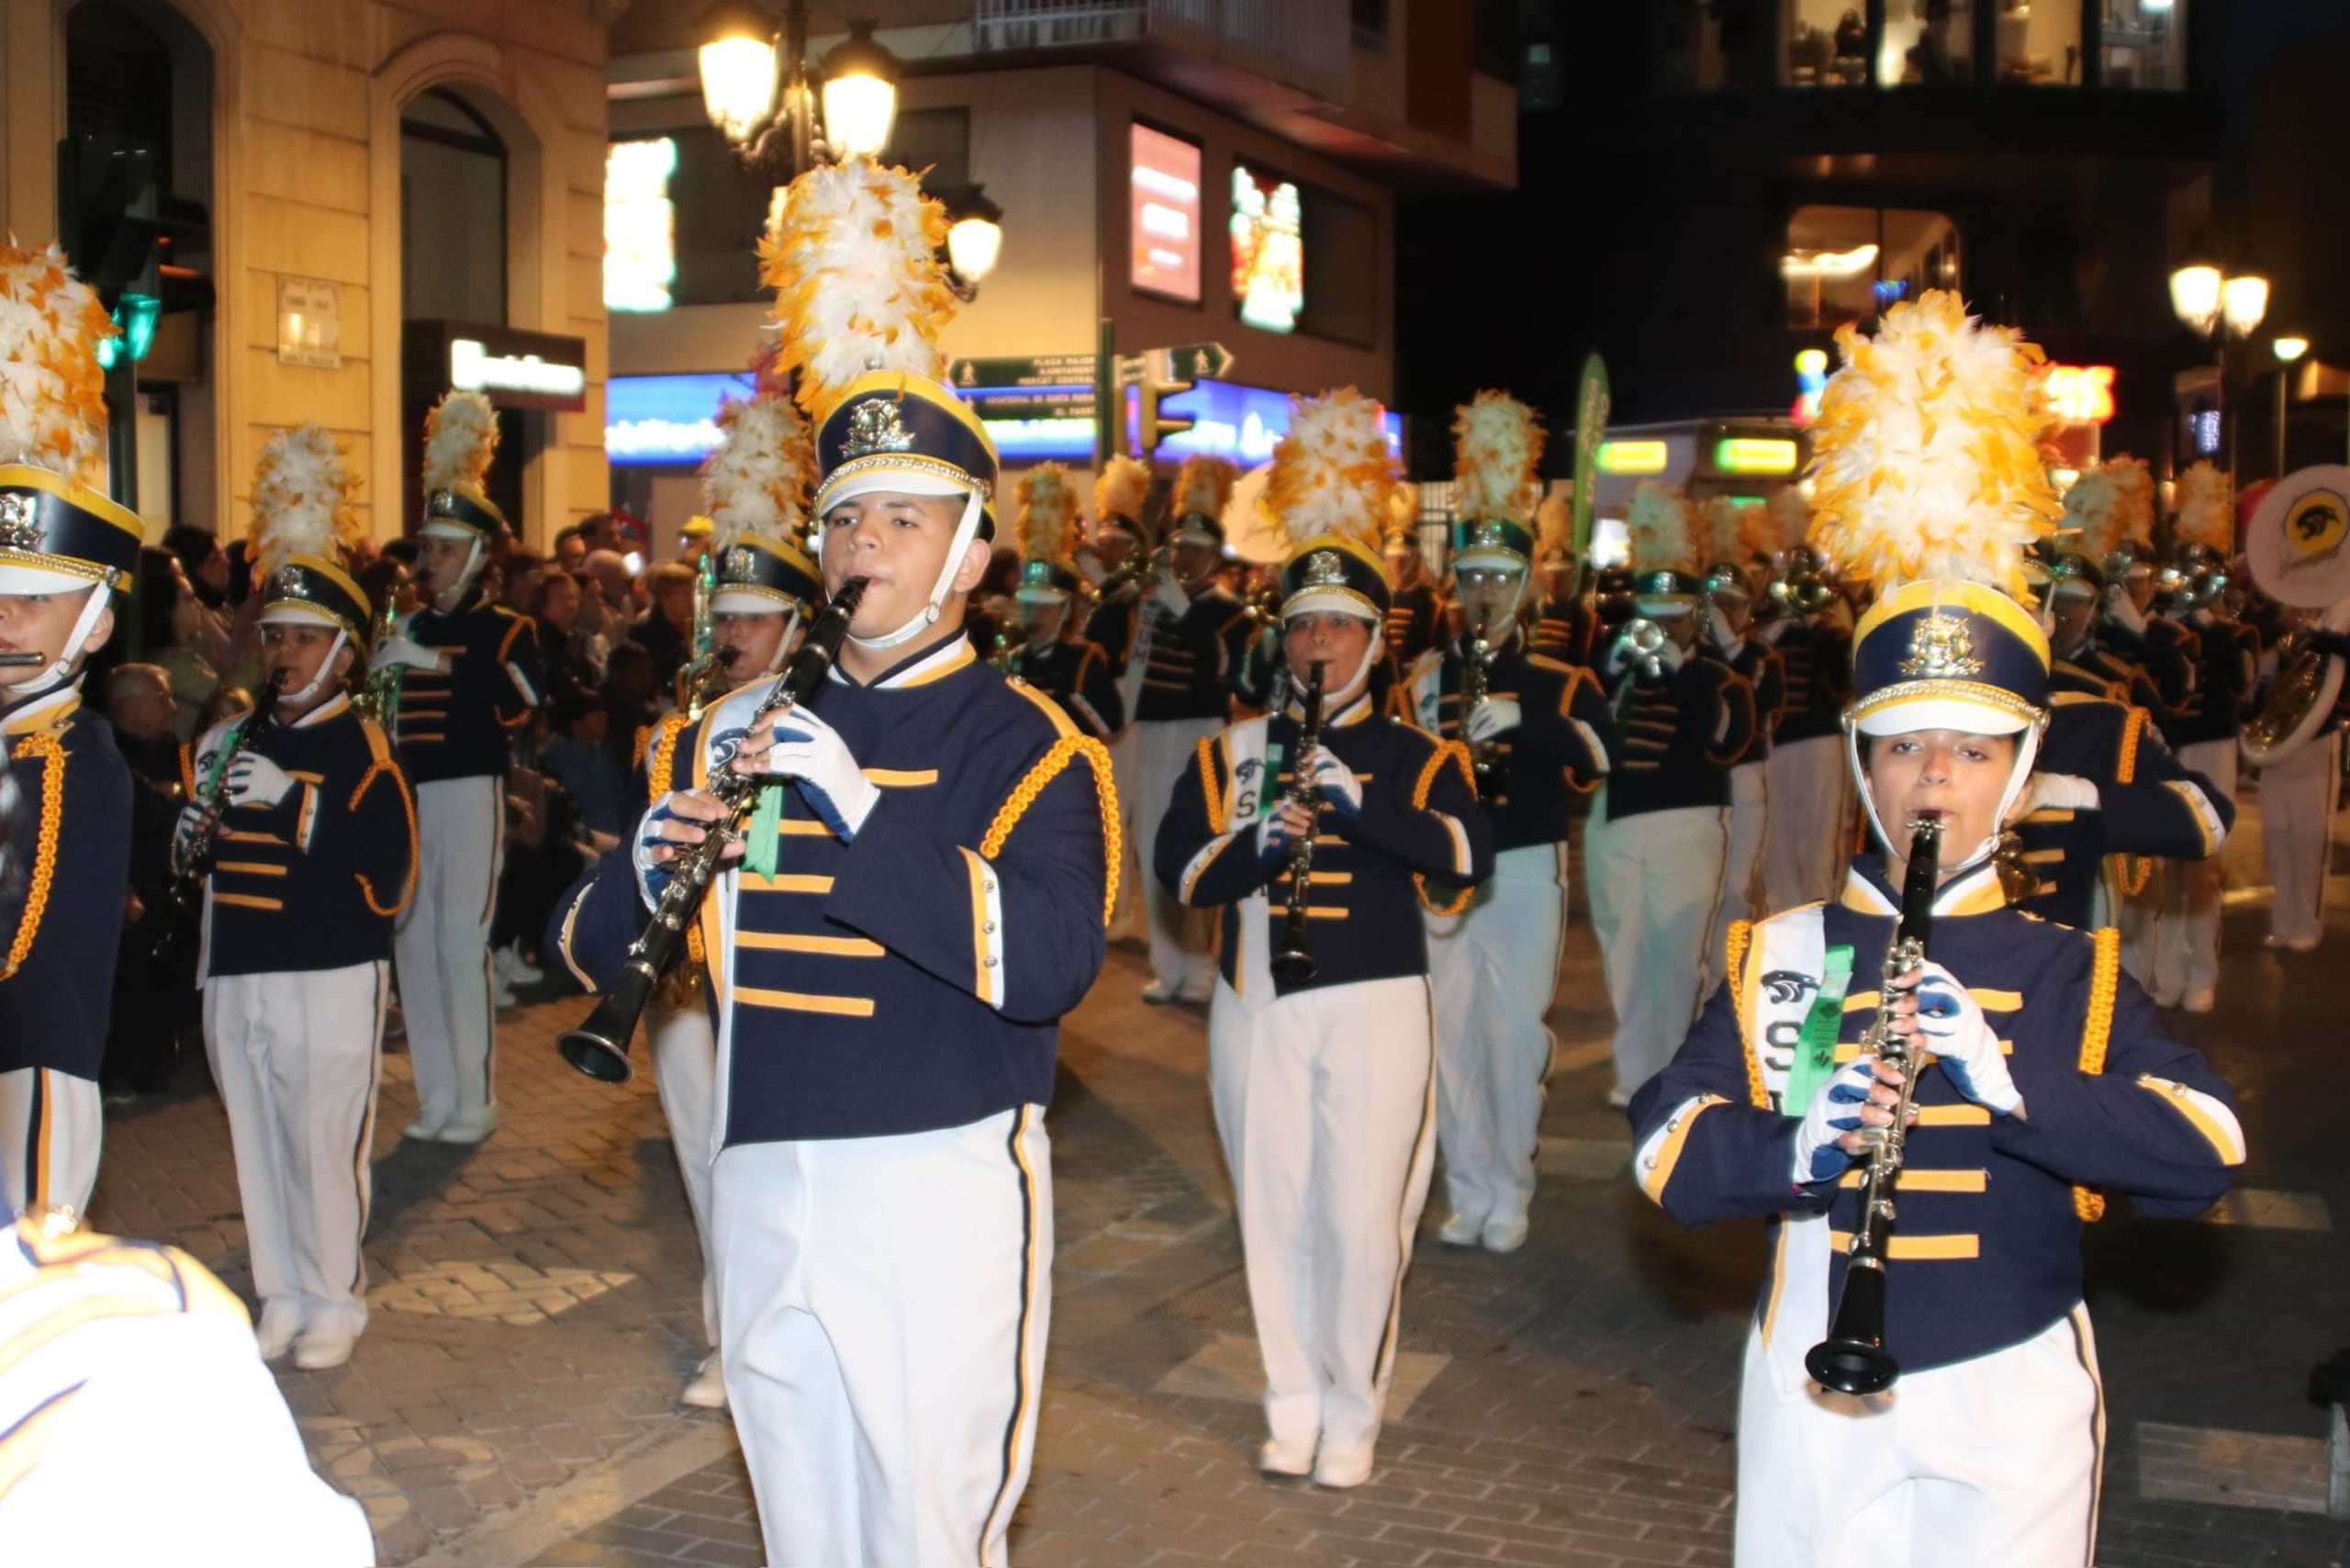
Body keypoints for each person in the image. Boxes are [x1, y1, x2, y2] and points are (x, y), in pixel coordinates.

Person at [556, 158, 1117, 1567]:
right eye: (848, 522)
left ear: (973, 557)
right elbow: (585, 950)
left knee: (931, 1530)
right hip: (762, 1164)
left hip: (933, 1181)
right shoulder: (737, 728)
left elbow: (1050, 967)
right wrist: (649, 857)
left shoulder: (1035, 744)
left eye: (905, 521)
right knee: (799, 1522)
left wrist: (868, 812)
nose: (866, 546)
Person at [1631, 292, 2242, 1567]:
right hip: (1812, 1382)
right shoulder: (1785, 950)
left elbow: (2208, 1150)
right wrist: (1801, 1137)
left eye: (1972, 751)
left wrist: (2013, 1084)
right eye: (1906, 747)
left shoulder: (2069, 967)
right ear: (1863, 767)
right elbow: (1666, 1151)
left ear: (2018, 778)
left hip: (2013, 1386)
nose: (1935, 782)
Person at [1158, 387, 1492, 1487]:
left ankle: (1354, 1403)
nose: (1317, 641)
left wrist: (1358, 805)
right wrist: (1268, 831)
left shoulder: (1416, 753)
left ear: (1372, 638)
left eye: (1338, 623)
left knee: (1359, 1221)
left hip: (1377, 1003)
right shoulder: (1234, 750)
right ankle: (1290, 1395)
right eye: (1301, 624)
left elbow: (1463, 856)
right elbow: (1183, 866)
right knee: (1272, 1212)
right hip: (1256, 1003)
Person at [187, 427, 416, 1370]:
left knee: (324, 1141)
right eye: (275, 634)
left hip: (328, 967)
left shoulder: (360, 741)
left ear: (345, 651)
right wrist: (193, 826)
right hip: (237, 964)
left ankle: (335, 1296)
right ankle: (281, 1289)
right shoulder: (234, 732)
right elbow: (202, 864)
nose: (284, 651)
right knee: (256, 1136)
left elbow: (389, 875)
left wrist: (297, 803)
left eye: (306, 637)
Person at [1403, 392, 1609, 1252]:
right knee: (1449, 1039)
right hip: (1444, 876)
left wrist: (1532, 722)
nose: (1483, 591)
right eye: (1472, 578)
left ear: (1525, 587)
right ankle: (1471, 1185)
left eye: (1499, 578)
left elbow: (1600, 760)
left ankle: (1511, 1185)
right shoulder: (1421, 675)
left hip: (1524, 866)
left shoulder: (1561, 678)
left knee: (1513, 1032)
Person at [0, 243, 141, 1216]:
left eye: (32, 604)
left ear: (93, 625)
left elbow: (13, 938)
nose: (4, 622)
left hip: (31, 1072)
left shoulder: (70, 760)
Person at [371, 389, 542, 1144]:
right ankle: (435, 1097)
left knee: (457, 942)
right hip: (408, 796)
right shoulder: (403, 623)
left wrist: (434, 659)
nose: (427, 562)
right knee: (412, 939)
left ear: (475, 555)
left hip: (470, 790)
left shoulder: (508, 629)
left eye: (442, 549)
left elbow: (525, 701)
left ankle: (475, 1097)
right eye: (425, 548)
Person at [1589, 480, 1757, 1106]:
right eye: (1649, 620)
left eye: (1672, 620)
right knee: (1623, 954)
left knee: (1677, 956)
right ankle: (1635, 1074)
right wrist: (1614, 665)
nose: (1659, 630)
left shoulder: (1718, 676)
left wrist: (1680, 666)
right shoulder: (1619, 668)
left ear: (1694, 618)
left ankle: (1673, 1071)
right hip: (1617, 819)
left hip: (1688, 824)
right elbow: (1589, 730)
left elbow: (1726, 741)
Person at [1127, 453, 1252, 1003]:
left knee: (1198, 839)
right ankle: (1168, 963)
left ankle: (1201, 965)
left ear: (1214, 556)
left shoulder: (1230, 610)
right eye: (1179, 548)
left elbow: (1221, 665)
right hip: (1152, 729)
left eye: (1196, 550)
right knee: (1153, 842)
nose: (1185, 557)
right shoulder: (1153, 601)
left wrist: (1176, 603)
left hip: (1200, 728)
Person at [2135, 463, 2256, 1012]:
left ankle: (2200, 971)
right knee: (2156, 868)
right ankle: (2160, 972)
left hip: (2212, 746)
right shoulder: (2155, 632)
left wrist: (2214, 625)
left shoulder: (2233, 632)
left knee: (2205, 863)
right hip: (2166, 745)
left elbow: (2243, 687)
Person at [1700, 498, 1787, 994]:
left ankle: (1731, 979)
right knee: (1704, 890)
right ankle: (1706, 978)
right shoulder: (1694, 656)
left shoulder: (1760, 655)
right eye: (1715, 603)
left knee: (1736, 886)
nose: (1722, 613)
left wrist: (1730, 646)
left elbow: (1760, 705)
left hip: (1746, 776)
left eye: (1732, 604)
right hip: (1704, 784)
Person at [1006, 463, 1123, 742]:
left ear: (1066, 609)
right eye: (1029, 603)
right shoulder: (1012, 661)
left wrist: (1071, 699)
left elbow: (1110, 726)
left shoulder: (1084, 662)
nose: (1035, 613)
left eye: (1046, 605)